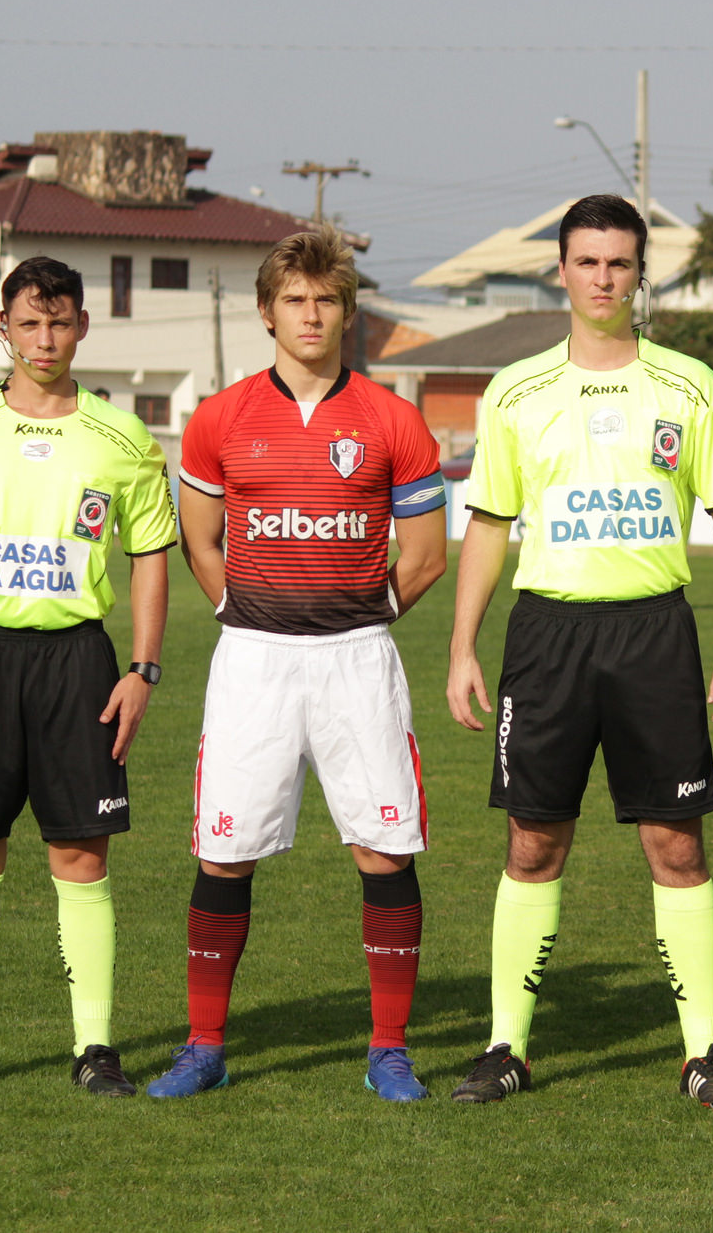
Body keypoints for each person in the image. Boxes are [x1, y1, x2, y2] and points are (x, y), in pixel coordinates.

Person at [445, 193, 713, 1108]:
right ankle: (507, 1044)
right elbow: (490, 524)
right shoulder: (515, 389)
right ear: (561, 269)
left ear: (638, 273)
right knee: (533, 840)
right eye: (587, 262)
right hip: (546, 634)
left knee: (676, 841)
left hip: (653, 632)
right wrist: (464, 644)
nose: (602, 278)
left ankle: (704, 1050)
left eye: (619, 263)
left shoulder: (692, 385)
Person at [145, 226, 448, 1102]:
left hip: (358, 659)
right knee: (224, 852)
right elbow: (200, 539)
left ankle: (388, 1046)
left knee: (384, 852)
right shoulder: (222, 418)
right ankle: (205, 1044)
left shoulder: (392, 417)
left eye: (326, 300)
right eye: (295, 300)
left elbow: (424, 555)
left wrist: (358, 613)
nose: (311, 314)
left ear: (347, 311)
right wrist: (240, 611)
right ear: (266, 313)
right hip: (254, 661)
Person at [0, 256, 176, 1095]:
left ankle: (93, 1047)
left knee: (81, 857)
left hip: (77, 662)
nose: (45, 338)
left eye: (59, 323)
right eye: (30, 323)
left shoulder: (123, 437)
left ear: (82, 327)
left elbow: (151, 558)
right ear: (4, 330)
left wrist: (143, 669)